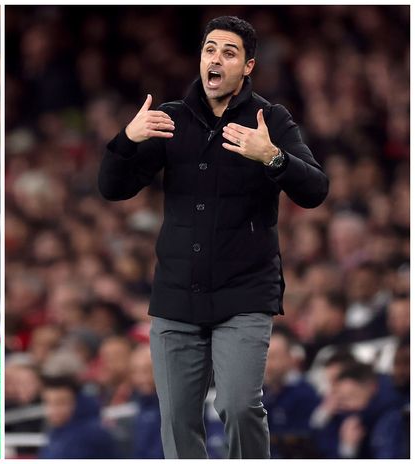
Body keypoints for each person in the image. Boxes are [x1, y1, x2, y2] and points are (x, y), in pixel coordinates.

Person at [98, 16, 328, 458]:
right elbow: (113, 188)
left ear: (248, 67)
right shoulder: (169, 118)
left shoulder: (271, 120)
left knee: (240, 406)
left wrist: (273, 157)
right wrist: (126, 138)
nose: (216, 58)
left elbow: (316, 190)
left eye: (228, 52)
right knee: (177, 419)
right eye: (209, 49)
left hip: (244, 292)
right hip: (177, 296)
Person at [262, 325, 321, 458]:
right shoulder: (261, 393)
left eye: (274, 357)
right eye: (264, 357)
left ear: (290, 358)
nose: (268, 364)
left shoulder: (305, 394)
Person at [38, 376, 117, 459]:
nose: (53, 410)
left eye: (61, 403)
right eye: (48, 402)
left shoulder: (92, 434)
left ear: (77, 402)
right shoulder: (56, 431)